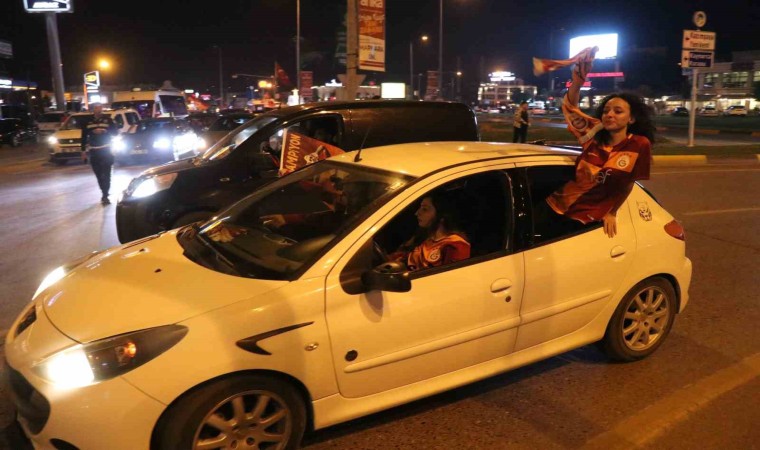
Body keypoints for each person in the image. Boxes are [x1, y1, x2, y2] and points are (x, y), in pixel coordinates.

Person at [538, 51, 654, 238]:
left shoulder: (639, 145)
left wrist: (612, 212)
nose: (610, 115)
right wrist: (578, 81)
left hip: (585, 220)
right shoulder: (594, 133)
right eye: (606, 111)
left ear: (631, 119)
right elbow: (570, 108)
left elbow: (628, 184)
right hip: (554, 205)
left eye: (618, 111)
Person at [390, 193, 471, 271]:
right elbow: (401, 258)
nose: (417, 213)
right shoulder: (422, 238)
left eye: (425, 209)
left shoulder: (455, 244)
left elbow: (451, 276)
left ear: (441, 215)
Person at [81, 104, 118, 205]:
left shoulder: (108, 120)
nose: (99, 110)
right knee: (98, 174)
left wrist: (105, 130)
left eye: (100, 108)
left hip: (106, 150)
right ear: (93, 110)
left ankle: (105, 195)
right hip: (94, 151)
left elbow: (115, 133)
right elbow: (83, 136)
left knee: (106, 173)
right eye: (97, 108)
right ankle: (103, 190)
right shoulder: (87, 121)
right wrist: (83, 151)